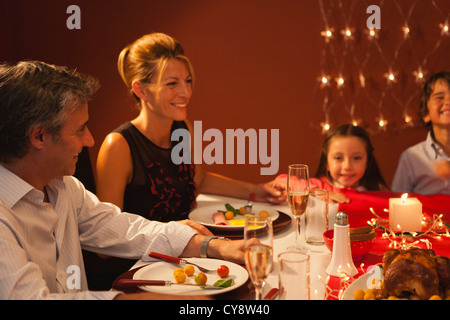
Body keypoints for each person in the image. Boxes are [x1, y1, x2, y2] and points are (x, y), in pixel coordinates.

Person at [0, 60, 250, 300]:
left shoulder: (63, 186)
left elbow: (124, 228)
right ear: (39, 136)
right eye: (80, 129)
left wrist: (213, 245)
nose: (90, 140)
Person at [95, 33, 285, 225]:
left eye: (187, 81)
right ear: (141, 90)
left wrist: (256, 190)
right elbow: (108, 233)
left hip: (186, 246)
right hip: (144, 255)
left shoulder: (183, 129)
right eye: (172, 84)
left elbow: (197, 181)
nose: (186, 93)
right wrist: (174, 231)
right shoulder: (118, 146)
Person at [276, 124, 388, 203]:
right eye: (338, 158)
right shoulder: (320, 186)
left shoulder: (378, 191)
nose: (347, 166)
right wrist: (316, 192)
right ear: (327, 163)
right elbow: (280, 181)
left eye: (357, 158)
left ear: (367, 161)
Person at [391, 71, 450, 195]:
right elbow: (397, 200)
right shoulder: (411, 157)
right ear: (426, 114)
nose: (448, 102)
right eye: (439, 97)